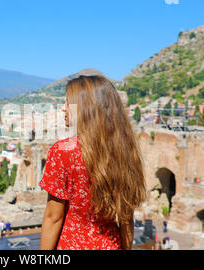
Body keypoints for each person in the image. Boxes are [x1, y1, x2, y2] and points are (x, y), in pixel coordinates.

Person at [40, 75, 147, 250]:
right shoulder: (125, 152)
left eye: (68, 103)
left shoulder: (63, 152)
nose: (63, 108)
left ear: (84, 108)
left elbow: (53, 217)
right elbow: (126, 218)